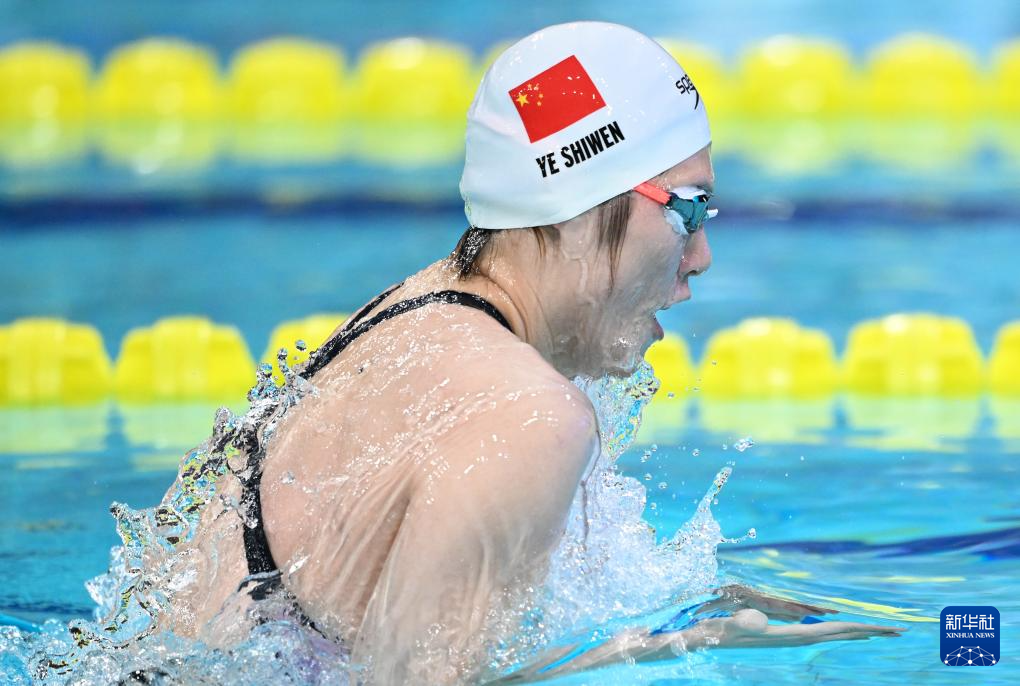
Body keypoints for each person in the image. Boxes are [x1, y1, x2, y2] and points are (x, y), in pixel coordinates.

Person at [167, 20, 906, 683]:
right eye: (688, 209)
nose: (702, 256)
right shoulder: (527, 417)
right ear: (584, 203)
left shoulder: (409, 313)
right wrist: (668, 645)